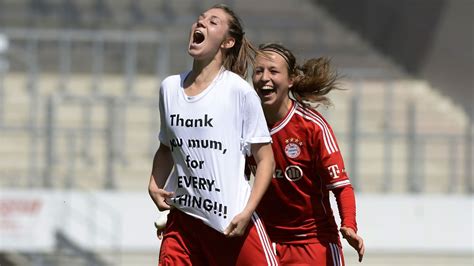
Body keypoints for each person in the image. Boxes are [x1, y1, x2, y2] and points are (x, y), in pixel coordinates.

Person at [148, 4, 278, 266]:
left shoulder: (238, 92)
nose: (201, 24)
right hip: (183, 224)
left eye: (213, 22)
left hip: (231, 224)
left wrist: (247, 212)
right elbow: (166, 147)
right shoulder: (169, 88)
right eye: (199, 20)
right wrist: (154, 182)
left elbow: (266, 160)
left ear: (228, 42)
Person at [246, 43, 365, 265]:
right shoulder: (245, 124)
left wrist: (349, 225)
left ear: (291, 80)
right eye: (258, 71)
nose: (264, 77)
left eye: (273, 71)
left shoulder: (312, 126)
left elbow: (341, 186)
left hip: (313, 243)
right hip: (265, 240)